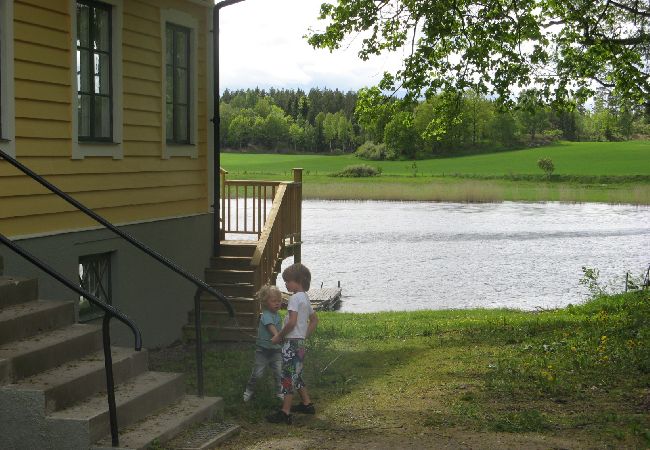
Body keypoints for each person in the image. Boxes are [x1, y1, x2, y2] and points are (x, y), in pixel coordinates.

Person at [266, 263, 319, 424]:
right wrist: (303, 336)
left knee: (288, 376)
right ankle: (307, 404)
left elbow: (291, 323)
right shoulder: (305, 297)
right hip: (300, 344)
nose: (286, 284)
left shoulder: (295, 298)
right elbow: (314, 320)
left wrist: (279, 336)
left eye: (287, 281)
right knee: (297, 373)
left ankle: (285, 412)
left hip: (291, 344)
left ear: (297, 280)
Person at [243, 285, 284, 402]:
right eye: (274, 301)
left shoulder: (277, 315)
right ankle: (249, 390)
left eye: (279, 301)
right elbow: (272, 328)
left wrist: (282, 336)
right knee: (257, 373)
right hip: (263, 351)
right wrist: (279, 336)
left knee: (279, 372)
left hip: (275, 350)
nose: (277, 303)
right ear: (266, 302)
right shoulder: (265, 315)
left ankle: (279, 392)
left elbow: (280, 330)